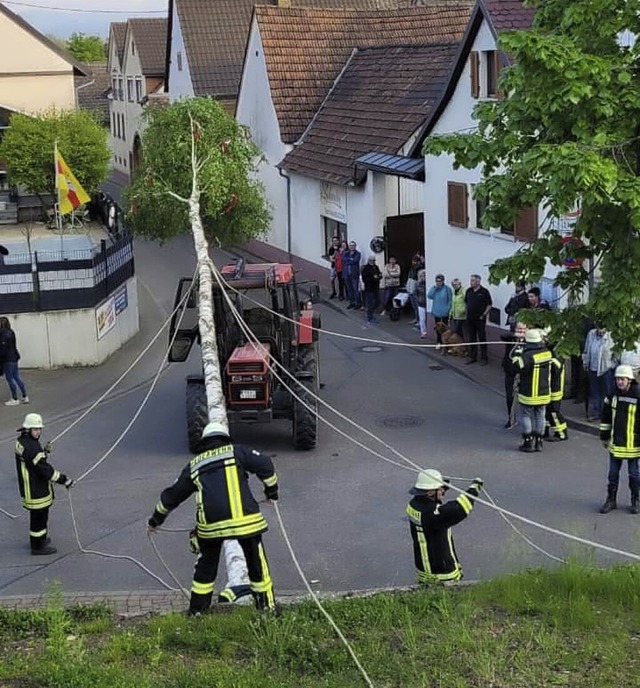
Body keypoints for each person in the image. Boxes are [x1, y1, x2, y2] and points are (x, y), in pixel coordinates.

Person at [147, 422, 278, 615]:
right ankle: (266, 608)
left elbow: (172, 496)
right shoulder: (238, 452)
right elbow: (265, 465)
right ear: (225, 438)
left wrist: (155, 521)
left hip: (211, 527)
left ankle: (198, 612)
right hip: (246, 523)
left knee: (205, 570)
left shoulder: (195, 464)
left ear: (204, 441)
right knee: (257, 565)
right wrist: (272, 492)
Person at [407, 469, 484, 583]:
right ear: (429, 492)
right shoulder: (432, 514)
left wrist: (441, 487)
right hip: (440, 573)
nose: (443, 491)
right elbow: (458, 509)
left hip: (424, 568)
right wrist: (474, 489)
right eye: (440, 489)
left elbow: (438, 505)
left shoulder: (414, 504)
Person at [15, 413, 74, 555]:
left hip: (33, 486)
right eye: (35, 429)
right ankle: (37, 546)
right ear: (28, 429)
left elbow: (34, 461)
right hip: (35, 489)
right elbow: (45, 470)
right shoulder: (31, 446)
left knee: (40, 516)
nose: (38, 432)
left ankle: (40, 539)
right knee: (39, 518)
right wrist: (64, 480)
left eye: (39, 429)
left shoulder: (23, 441)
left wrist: (44, 452)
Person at [599, 365, 640, 515]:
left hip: (633, 444)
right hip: (615, 443)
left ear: (630, 380)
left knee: (634, 474)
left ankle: (636, 500)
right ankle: (611, 500)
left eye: (622, 379)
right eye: (617, 379)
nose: (620, 382)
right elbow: (606, 418)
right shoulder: (611, 396)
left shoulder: (638, 395)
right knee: (613, 474)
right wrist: (604, 436)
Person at [510, 328, 556, 452]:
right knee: (540, 415)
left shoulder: (527, 355)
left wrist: (517, 354)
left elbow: (517, 367)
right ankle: (539, 442)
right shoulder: (547, 352)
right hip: (544, 391)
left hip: (528, 392)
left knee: (526, 415)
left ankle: (528, 442)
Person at [582, 326, 616, 422]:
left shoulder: (611, 335)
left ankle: (607, 416)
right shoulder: (591, 334)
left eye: (603, 329)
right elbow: (586, 350)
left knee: (608, 393)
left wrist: (611, 365)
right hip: (592, 368)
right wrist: (585, 362)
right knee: (595, 393)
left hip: (606, 369)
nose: (601, 331)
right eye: (599, 329)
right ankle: (597, 414)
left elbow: (616, 354)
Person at [501, 321, 527, 430]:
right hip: (510, 373)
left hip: (524, 374)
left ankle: (528, 423)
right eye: (519, 329)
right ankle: (511, 420)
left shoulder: (530, 342)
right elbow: (503, 336)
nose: (521, 331)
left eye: (523, 330)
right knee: (510, 397)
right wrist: (515, 336)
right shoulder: (511, 340)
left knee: (527, 400)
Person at [464, 274, 492, 365]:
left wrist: (484, 314)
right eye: (471, 280)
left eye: (473, 281)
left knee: (482, 338)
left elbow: (489, 304)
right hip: (470, 318)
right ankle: (473, 357)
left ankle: (484, 358)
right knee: (472, 338)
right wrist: (466, 312)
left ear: (478, 281)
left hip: (480, 319)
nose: (471, 282)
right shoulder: (469, 291)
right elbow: (466, 303)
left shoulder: (484, 292)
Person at [0, 316, 29, 406]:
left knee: (10, 378)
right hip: (14, 357)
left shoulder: (3, 334)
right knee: (16, 376)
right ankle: (24, 396)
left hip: (7, 359)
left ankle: (15, 398)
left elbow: (3, 349)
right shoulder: (11, 332)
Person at [428, 274, 452, 345]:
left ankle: (446, 342)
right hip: (437, 312)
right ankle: (439, 341)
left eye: (440, 281)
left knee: (445, 328)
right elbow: (429, 296)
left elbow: (450, 300)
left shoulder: (447, 289)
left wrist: (448, 309)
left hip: (445, 312)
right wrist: (435, 288)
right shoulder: (434, 288)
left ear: (443, 281)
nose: (438, 283)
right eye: (437, 281)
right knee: (438, 328)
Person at [361, 256, 382, 324]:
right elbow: (365, 279)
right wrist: (373, 278)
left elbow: (379, 275)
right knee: (370, 303)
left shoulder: (376, 267)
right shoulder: (366, 268)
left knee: (377, 302)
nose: (372, 261)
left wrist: (378, 277)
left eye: (373, 260)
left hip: (376, 287)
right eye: (371, 260)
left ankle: (370, 312)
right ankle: (370, 317)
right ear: (368, 260)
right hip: (369, 288)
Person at [342, 241, 362, 310]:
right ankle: (352, 303)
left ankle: (358, 303)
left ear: (355, 246)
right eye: (350, 245)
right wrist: (350, 260)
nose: (352, 247)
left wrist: (349, 261)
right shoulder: (346, 253)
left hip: (354, 274)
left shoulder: (358, 253)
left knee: (355, 289)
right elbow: (344, 259)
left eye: (353, 245)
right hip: (347, 274)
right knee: (349, 289)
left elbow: (355, 261)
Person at [406, 254, 424, 325]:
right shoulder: (412, 267)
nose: (413, 262)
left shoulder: (419, 267)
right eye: (413, 261)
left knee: (416, 305)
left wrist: (421, 261)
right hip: (411, 286)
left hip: (415, 286)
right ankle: (416, 318)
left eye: (415, 261)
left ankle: (419, 320)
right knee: (414, 305)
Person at [416, 269, 428, 338]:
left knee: (427, 319)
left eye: (424, 275)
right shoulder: (417, 284)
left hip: (428, 303)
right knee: (422, 319)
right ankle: (423, 332)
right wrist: (418, 300)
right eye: (421, 276)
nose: (423, 277)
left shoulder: (428, 283)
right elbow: (416, 293)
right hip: (421, 303)